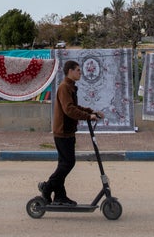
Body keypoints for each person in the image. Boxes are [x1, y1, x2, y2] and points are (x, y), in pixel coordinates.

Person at [37, 60, 103, 205]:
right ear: (70, 71)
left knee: (63, 164)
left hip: (67, 131)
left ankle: (60, 196)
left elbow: (74, 106)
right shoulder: (64, 87)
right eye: (78, 70)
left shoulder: (70, 87)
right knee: (68, 163)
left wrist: (91, 111)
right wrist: (87, 116)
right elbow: (69, 109)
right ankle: (47, 188)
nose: (80, 73)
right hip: (63, 131)